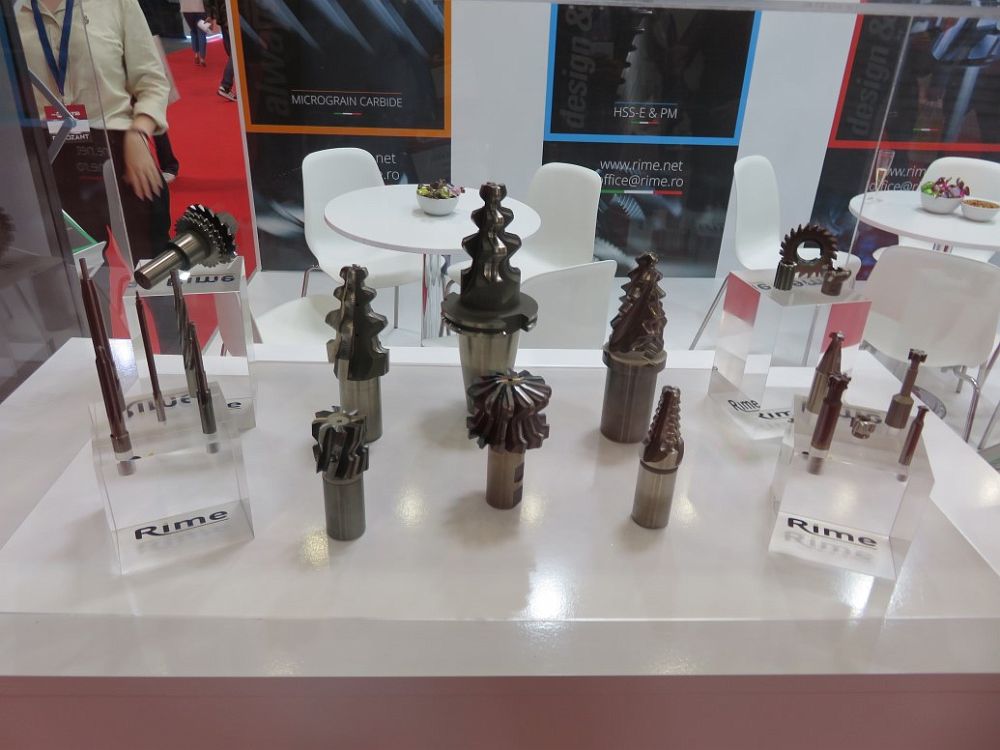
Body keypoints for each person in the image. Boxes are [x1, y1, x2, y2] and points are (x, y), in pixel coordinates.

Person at [16, 0, 171, 264]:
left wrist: (139, 133)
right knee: (78, 273)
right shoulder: (11, 12)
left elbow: (152, 81)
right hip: (47, 160)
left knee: (152, 265)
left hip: (120, 150)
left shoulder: (116, 4)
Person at [205, 0, 235, 101]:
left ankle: (229, 85)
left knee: (232, 53)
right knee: (235, 54)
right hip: (231, 17)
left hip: (223, 18)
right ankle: (225, 85)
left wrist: (210, 15)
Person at [181, 0, 208, 66]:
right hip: (200, 8)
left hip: (186, 9)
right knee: (201, 32)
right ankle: (202, 58)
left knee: (193, 31)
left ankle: (196, 54)